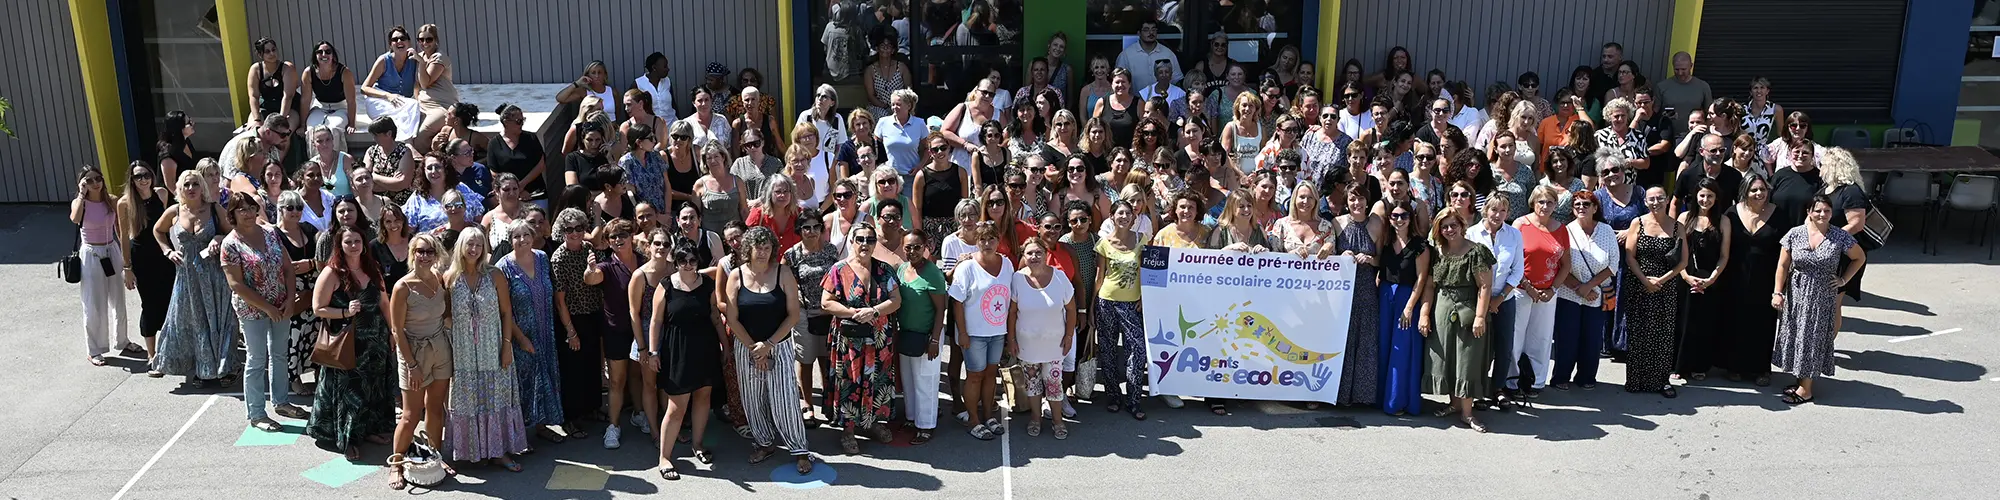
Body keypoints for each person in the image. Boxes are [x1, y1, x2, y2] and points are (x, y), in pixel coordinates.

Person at [725, 226, 815, 473]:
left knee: (784, 399)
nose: (763, 252)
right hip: (747, 348)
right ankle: (764, 443)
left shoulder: (783, 273)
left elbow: (794, 314)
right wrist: (755, 349)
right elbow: (732, 318)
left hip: (780, 345)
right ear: (749, 249)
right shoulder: (736, 275)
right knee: (753, 399)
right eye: (758, 247)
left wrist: (769, 345)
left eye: (767, 247)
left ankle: (799, 449)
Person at [440, 228, 531, 469]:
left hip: (493, 347)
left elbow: (506, 312)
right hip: (463, 352)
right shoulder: (449, 278)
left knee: (495, 399)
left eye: (479, 245)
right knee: (467, 401)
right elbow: (446, 315)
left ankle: (499, 452)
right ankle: (470, 450)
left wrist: (507, 346)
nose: (474, 250)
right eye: (470, 244)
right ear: (461, 246)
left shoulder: (495, 275)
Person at [220, 195, 309, 430]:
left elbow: (288, 268)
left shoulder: (269, 234)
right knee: (257, 359)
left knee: (280, 354)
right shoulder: (230, 244)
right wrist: (267, 307)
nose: (248, 214)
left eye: (251, 208)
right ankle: (257, 413)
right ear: (233, 214)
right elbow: (236, 285)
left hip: (281, 305)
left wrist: (290, 299)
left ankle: (281, 401)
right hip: (252, 310)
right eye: (242, 210)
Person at [306, 224, 394, 461]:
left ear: (364, 243)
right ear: (340, 245)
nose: (353, 246)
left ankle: (368, 431)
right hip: (349, 343)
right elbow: (318, 309)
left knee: (374, 387)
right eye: (348, 242)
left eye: (357, 241)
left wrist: (392, 331)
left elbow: (385, 303)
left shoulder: (372, 268)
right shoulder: (332, 273)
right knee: (351, 391)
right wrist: (345, 311)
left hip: (375, 340)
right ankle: (348, 440)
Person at [817, 222, 903, 453]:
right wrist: (855, 313)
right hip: (849, 340)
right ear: (852, 242)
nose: (865, 244)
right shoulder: (838, 270)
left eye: (870, 240)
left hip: (878, 338)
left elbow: (896, 300)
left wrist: (874, 311)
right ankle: (848, 430)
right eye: (861, 239)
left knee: (877, 378)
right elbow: (826, 302)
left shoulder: (884, 270)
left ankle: (871, 422)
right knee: (849, 381)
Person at [1772, 195, 1865, 404]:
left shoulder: (1840, 236)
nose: (1822, 215)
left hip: (1821, 296)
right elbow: (1783, 266)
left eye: (1827, 211)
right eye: (1818, 210)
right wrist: (1778, 292)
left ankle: (1806, 390)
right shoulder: (1795, 234)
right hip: (1796, 293)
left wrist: (1843, 280)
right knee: (1797, 336)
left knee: (1812, 338)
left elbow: (1859, 257)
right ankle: (1800, 381)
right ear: (1809, 212)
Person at [151, 170, 240, 384]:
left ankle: (224, 368)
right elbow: (157, 230)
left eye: (195, 184)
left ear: (202, 188)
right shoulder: (174, 210)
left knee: (218, 320)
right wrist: (167, 251)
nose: (191, 189)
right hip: (186, 276)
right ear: (180, 189)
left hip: (213, 274)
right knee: (189, 320)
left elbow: (233, 232)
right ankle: (200, 369)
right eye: (186, 185)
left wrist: (218, 237)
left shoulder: (214, 209)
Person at [646, 235, 721, 479]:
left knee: (703, 397)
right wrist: (653, 351)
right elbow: (656, 321)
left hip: (705, 347)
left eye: (691, 260)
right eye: (682, 260)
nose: (688, 264)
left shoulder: (708, 285)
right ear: (675, 261)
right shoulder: (666, 285)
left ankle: (698, 444)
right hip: (676, 350)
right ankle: (665, 457)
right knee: (677, 406)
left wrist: (725, 345)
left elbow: (714, 315)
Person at [385, 233, 453, 489]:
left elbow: (445, 314)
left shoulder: (439, 279)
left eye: (429, 252)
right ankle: (396, 464)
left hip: (440, 349)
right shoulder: (403, 286)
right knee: (411, 415)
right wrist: (411, 364)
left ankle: (434, 456)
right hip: (413, 354)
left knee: (435, 409)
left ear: (436, 255)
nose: (424, 256)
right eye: (420, 251)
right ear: (412, 253)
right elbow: (397, 331)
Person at [1418, 206, 1495, 432]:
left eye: (1453, 225)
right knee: (1448, 358)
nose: (1449, 230)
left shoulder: (1477, 251)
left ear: (1463, 226)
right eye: (1445, 226)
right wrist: (1424, 314)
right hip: (1442, 310)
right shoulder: (1437, 252)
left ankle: (1468, 413)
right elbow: (1430, 286)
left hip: (1468, 310)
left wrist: (1480, 316)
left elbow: (1485, 286)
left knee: (1467, 361)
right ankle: (1453, 404)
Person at [495, 220, 565, 444]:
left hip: (546, 330)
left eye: (526, 234)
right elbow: (503, 309)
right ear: (510, 240)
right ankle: (520, 435)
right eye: (517, 236)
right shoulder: (503, 266)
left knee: (544, 376)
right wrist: (520, 338)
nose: (522, 239)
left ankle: (542, 425)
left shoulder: (543, 258)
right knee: (523, 383)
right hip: (519, 334)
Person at [1621, 186, 1688, 397]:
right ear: (1645, 201)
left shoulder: (1678, 226)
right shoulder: (1637, 223)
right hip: (1639, 284)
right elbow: (1630, 256)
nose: (1656, 202)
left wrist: (1662, 280)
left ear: (1667, 200)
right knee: (1639, 332)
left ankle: (1661, 381)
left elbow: (1683, 261)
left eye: (1660, 198)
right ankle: (1636, 379)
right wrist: (1645, 280)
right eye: (1651, 199)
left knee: (1663, 334)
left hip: (1666, 286)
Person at [950, 221, 1014, 439]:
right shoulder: (966, 268)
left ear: (998, 240)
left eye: (991, 239)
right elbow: (957, 302)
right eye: (982, 240)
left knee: (990, 375)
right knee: (974, 376)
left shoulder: (1007, 265)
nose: (987, 243)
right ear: (976, 242)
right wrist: (963, 332)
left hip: (997, 332)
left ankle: (988, 416)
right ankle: (973, 420)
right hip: (974, 334)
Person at [1008, 237, 1075, 439]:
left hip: (1055, 344)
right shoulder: (1017, 279)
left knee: (1054, 384)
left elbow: (1071, 309)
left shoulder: (1060, 277)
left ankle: (1057, 421)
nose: (1034, 256)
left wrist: (1069, 335)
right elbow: (1012, 312)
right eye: (1029, 253)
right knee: (1032, 384)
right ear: (1023, 256)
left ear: (1046, 255)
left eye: (1038, 252)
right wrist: (1011, 339)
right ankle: (1035, 419)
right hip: (1027, 344)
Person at [1550, 189, 1617, 390]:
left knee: (1591, 339)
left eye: (1586, 204)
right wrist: (1579, 288)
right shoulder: (1565, 230)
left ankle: (1587, 377)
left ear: (1595, 208)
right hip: (1568, 293)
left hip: (1596, 295)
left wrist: (1589, 287)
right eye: (1577, 204)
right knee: (1567, 338)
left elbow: (1613, 264)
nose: (1581, 208)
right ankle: (1561, 377)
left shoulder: (1606, 230)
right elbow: (1557, 264)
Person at [1510, 186, 1570, 396]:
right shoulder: (1520, 224)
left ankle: (1534, 382)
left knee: (1541, 339)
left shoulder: (1561, 229)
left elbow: (1566, 265)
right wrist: (1528, 286)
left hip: (1547, 293)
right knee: (1515, 338)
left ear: (1556, 205)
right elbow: (1513, 261)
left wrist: (1553, 289)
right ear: (1533, 203)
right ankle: (1512, 382)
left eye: (1550, 202)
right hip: (1520, 290)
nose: (1545, 206)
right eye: (1541, 202)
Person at [72, 166, 135, 366]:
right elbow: (75, 218)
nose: (95, 183)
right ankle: (95, 349)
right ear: (82, 184)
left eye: (97, 178)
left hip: (111, 250)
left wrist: (127, 261)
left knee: (118, 299)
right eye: (89, 180)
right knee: (94, 303)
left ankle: (122, 340)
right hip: (91, 253)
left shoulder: (112, 200)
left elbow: (120, 231)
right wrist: (82, 194)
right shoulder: (80, 203)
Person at [1093, 200, 1149, 419]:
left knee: (1137, 350)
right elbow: (1100, 277)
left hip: (1132, 304)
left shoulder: (1141, 240)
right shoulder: (1104, 243)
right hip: (1106, 301)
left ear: (1133, 217)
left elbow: (1147, 272)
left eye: (1128, 213)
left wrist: (1145, 296)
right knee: (1107, 350)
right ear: (1112, 217)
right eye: (1120, 213)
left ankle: (1134, 400)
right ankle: (1114, 396)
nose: (1124, 217)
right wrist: (1090, 307)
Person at [1723, 176, 1782, 385]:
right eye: (1754, 190)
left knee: (1763, 323)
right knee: (1735, 320)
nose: (1759, 194)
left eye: (1763, 189)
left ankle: (1761, 369)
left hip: (1765, 277)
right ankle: (1734, 366)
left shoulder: (1778, 213)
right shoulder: (1731, 213)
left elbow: (1786, 251)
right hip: (1735, 275)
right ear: (1745, 192)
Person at [785, 210, 841, 428]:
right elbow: (786, 284)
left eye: (816, 226)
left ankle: (829, 403)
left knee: (827, 360)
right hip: (803, 314)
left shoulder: (831, 251)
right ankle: (808, 404)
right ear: (799, 230)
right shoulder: (792, 255)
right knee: (806, 359)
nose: (811, 232)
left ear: (821, 228)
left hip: (829, 311)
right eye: (806, 227)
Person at [1465, 196, 1523, 407]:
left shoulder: (1514, 235)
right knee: (1478, 346)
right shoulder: (1471, 233)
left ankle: (1498, 388)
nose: (1497, 215)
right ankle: (1477, 389)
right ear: (1485, 210)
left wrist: (1500, 298)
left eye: (1502, 211)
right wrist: (1485, 299)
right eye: (1493, 210)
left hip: (1504, 298)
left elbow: (1518, 270)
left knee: (1504, 345)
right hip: (1477, 298)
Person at [1675, 178, 1733, 381]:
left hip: (1711, 280)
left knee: (1705, 324)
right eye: (1702, 195)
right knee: (1683, 321)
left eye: (1710, 196)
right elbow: (1678, 253)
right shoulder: (1684, 218)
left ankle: (1700, 365)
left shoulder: (1723, 221)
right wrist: (1685, 276)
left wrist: (1711, 280)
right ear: (1695, 196)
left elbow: (1724, 255)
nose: (1705, 199)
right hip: (1686, 277)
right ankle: (1680, 366)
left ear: (1716, 198)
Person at [1332, 182, 1384, 407]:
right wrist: (1340, 255)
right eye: (1352, 199)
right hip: (1342, 290)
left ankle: (1361, 396)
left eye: (1360, 198)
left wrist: (1371, 260)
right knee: (1343, 339)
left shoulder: (1377, 224)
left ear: (1367, 200)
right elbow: (1327, 256)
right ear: (1347, 201)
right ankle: (1339, 394)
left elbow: (1382, 258)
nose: (1357, 203)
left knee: (1364, 340)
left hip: (1365, 288)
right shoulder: (1336, 223)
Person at [121, 162, 174, 372]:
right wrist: (127, 267)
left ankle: (171, 348)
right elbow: (123, 236)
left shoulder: (161, 194)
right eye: (137, 177)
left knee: (170, 301)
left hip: (163, 253)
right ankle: (151, 354)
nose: (143, 180)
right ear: (132, 181)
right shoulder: (125, 203)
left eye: (146, 175)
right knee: (149, 304)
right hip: (142, 256)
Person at [274, 192, 321, 394]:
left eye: (299, 208)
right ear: (281, 210)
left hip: (314, 291)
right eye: (290, 208)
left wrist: (309, 263)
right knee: (293, 337)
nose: (295, 212)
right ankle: (294, 378)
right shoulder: (274, 235)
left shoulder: (310, 230)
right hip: (289, 290)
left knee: (316, 335)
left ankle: (319, 375)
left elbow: (323, 257)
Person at [357, 26, 424, 142]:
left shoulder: (414, 60)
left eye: (402, 38)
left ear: (409, 42)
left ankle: (404, 146)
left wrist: (421, 61)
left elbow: (419, 84)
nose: (399, 42)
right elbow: (364, 88)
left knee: (410, 110)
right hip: (379, 101)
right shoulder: (383, 61)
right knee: (411, 107)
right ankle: (408, 145)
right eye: (395, 39)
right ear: (390, 45)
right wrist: (388, 96)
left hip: (400, 104)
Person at [488, 104, 549, 206]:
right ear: (506, 122)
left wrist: (521, 186)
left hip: (534, 193)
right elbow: (494, 172)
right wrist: (515, 190)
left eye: (523, 120)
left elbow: (540, 165)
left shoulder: (531, 138)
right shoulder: (494, 143)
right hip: (509, 196)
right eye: (518, 121)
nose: (522, 124)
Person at [410, 24, 458, 156]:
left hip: (441, 105)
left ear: (436, 39)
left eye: (428, 39)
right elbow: (417, 84)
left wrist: (421, 62)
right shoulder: (420, 56)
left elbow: (425, 83)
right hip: (422, 104)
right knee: (408, 132)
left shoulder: (439, 57)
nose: (424, 43)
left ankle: (428, 166)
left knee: (421, 135)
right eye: (420, 40)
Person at [299, 41, 356, 132]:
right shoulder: (308, 72)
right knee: (312, 130)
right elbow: (305, 101)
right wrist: (303, 125)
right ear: (315, 55)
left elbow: (351, 101)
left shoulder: (344, 72)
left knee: (334, 128)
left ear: (333, 55)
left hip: (341, 107)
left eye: (328, 52)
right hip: (320, 107)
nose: (324, 54)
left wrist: (352, 124)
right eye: (320, 52)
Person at [1653, 52, 1712, 137]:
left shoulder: (1703, 86)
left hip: (1695, 135)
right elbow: (1655, 112)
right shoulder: (1662, 86)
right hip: (1668, 136)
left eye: (1683, 69)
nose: (1680, 73)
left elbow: (1709, 114)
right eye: (1677, 69)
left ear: (1691, 66)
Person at [244, 37, 297, 127]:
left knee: (283, 132)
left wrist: (280, 120)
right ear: (260, 55)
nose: (272, 53)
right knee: (254, 130)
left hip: (289, 108)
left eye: (273, 50)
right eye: (267, 51)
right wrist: (257, 119)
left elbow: (288, 96)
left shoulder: (287, 67)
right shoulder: (256, 69)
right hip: (265, 107)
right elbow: (253, 96)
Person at [1115, 19, 1181, 90]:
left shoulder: (1168, 53)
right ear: (1139, 33)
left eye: (1153, 29)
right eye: (1146, 30)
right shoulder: (1126, 55)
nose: (1151, 33)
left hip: (1163, 99)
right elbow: (1118, 79)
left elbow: (1177, 80)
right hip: (1135, 99)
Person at [621, 124, 671, 210]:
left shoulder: (656, 156)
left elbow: (667, 185)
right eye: (651, 138)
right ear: (639, 142)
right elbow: (632, 194)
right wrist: (656, 216)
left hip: (664, 211)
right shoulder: (626, 162)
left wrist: (667, 213)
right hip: (644, 215)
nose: (655, 141)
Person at [1094, 69, 1141, 152]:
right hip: (1106, 152)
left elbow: (1143, 129)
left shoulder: (1139, 104)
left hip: (1130, 153)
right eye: (1117, 82)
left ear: (1129, 84)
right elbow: (1093, 127)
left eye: (1123, 82)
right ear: (1112, 84)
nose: (1120, 85)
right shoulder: (1102, 102)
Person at [1221, 92, 1267, 176]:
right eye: (1244, 105)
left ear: (1255, 109)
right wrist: (1241, 175)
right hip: (1234, 177)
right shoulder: (1230, 127)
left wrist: (1257, 174)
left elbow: (1263, 154)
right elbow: (1224, 155)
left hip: (1255, 176)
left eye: (1251, 106)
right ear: (1238, 107)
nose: (1247, 109)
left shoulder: (1261, 128)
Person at [676, 87, 734, 151]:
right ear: (694, 103)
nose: (704, 104)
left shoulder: (721, 120)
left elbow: (729, 146)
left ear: (711, 101)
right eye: (700, 100)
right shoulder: (687, 123)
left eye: (706, 100)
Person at [636, 52, 679, 124]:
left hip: (671, 124)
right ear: (654, 67)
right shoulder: (639, 84)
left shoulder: (667, 81)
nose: (668, 69)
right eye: (665, 66)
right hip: (651, 126)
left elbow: (673, 104)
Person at [1743, 78, 1787, 145]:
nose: (1759, 91)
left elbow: (1781, 135)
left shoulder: (1776, 109)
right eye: (1755, 88)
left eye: (1762, 88)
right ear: (1751, 92)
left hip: (1765, 151)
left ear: (1767, 91)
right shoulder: (1741, 109)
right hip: (1745, 149)